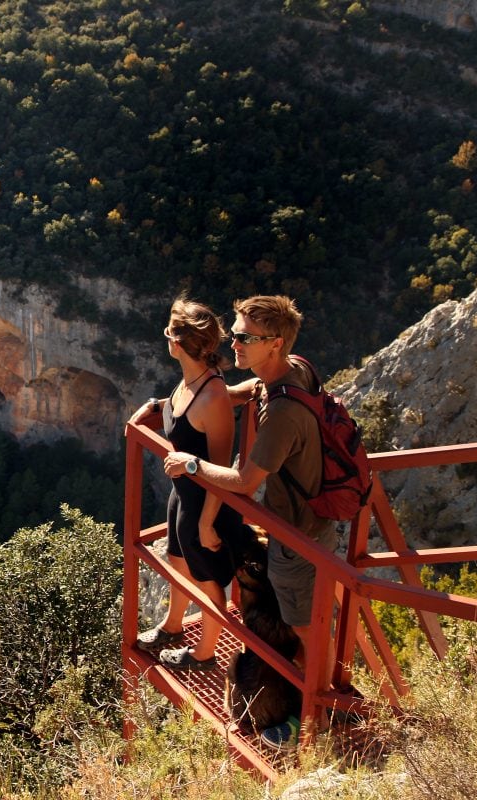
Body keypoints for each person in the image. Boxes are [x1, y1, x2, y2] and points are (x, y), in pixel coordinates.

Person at [162, 295, 339, 751]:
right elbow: (253, 390)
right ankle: (316, 694)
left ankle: (324, 709)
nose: (232, 343)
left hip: (299, 534)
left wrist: (190, 465)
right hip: (301, 520)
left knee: (304, 626)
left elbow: (241, 480)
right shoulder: (293, 369)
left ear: (274, 343)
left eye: (244, 337)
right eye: (234, 333)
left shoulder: (282, 415)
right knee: (292, 618)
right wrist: (218, 394)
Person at [128, 298, 249, 673]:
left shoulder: (212, 396)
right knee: (177, 562)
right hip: (183, 495)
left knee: (208, 579)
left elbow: (220, 466)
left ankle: (204, 654)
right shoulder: (191, 381)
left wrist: (206, 522)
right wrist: (154, 405)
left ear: (177, 344)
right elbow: (181, 408)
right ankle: (173, 625)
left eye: (168, 333)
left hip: (203, 504)